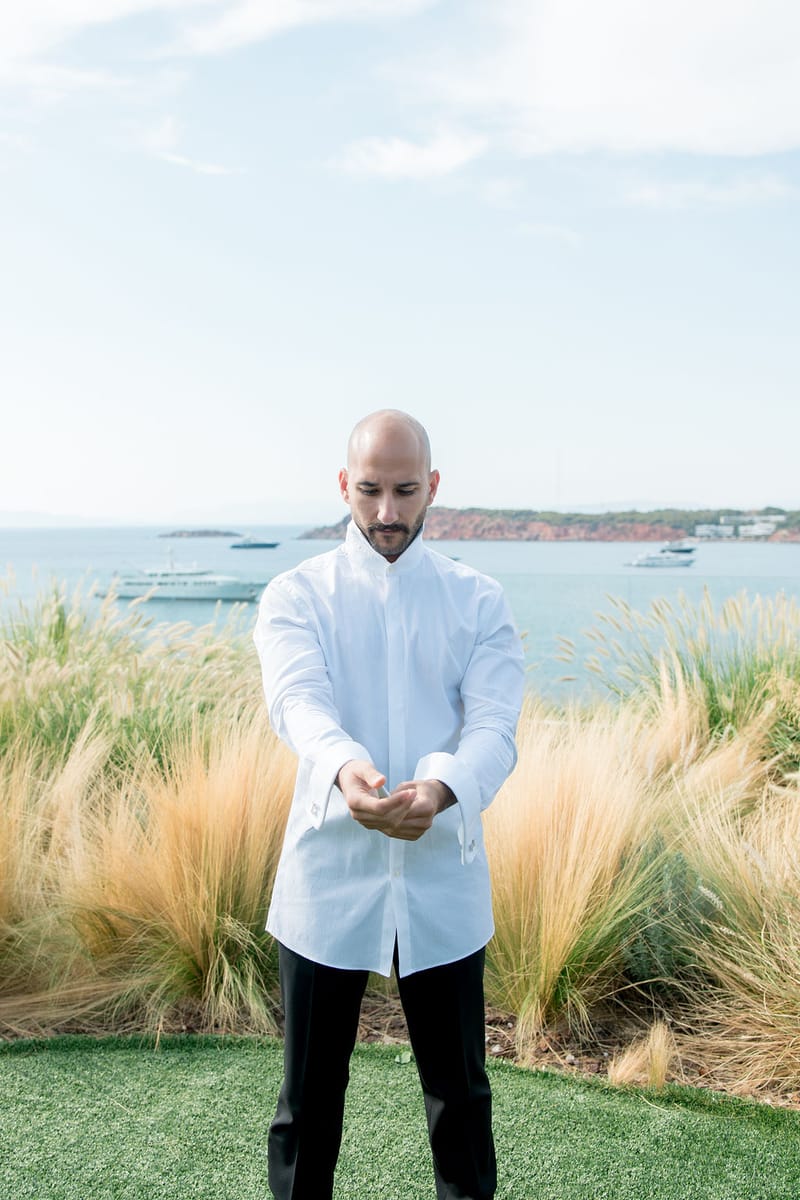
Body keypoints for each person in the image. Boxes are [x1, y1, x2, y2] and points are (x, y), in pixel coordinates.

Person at [253, 410, 525, 1200]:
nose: (386, 513)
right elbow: (298, 702)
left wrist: (441, 789)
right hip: (326, 876)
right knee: (307, 1110)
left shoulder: (479, 600)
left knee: (462, 1105)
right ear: (344, 485)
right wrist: (346, 770)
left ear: (432, 487)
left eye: (405, 492)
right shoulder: (293, 595)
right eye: (369, 491)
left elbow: (496, 728)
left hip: (443, 879)